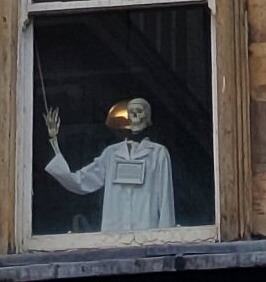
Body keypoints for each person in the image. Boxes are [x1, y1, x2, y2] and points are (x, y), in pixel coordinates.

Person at [44, 97, 175, 232]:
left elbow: (165, 200)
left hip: (148, 236)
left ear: (147, 116)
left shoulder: (158, 153)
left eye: (139, 111)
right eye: (131, 112)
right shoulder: (111, 154)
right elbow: (81, 181)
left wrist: (167, 242)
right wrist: (54, 141)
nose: (134, 115)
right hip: (114, 238)